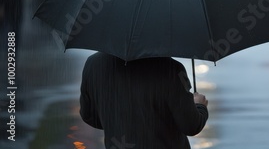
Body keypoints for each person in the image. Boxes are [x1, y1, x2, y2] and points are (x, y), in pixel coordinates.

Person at [80, 52, 209, 149]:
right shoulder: (171, 68)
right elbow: (191, 125)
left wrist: (123, 123)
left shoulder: (94, 64)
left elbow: (89, 116)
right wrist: (199, 106)